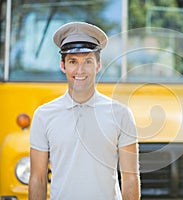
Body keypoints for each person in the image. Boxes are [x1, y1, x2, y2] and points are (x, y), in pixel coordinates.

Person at [28, 22, 140, 200]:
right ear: (63, 65)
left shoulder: (121, 114)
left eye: (87, 61)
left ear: (98, 65)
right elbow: (38, 179)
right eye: (73, 61)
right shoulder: (44, 115)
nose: (80, 70)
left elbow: (131, 178)